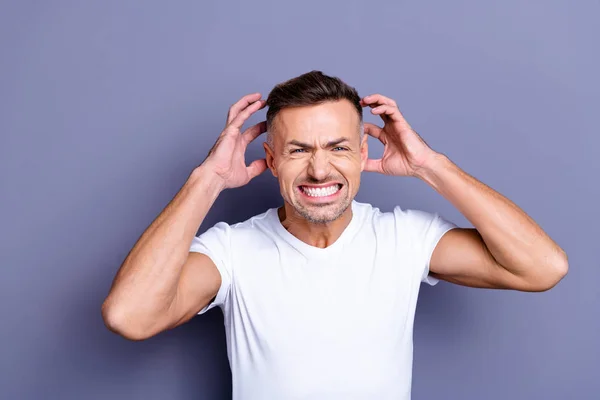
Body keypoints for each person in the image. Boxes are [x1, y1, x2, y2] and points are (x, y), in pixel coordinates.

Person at [101, 71, 568, 399]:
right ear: (272, 157)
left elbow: (543, 267)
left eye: (338, 147)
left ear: (364, 151)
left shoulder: (403, 239)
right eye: (299, 149)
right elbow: (129, 316)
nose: (320, 168)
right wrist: (208, 180)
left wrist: (432, 167)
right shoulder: (231, 252)